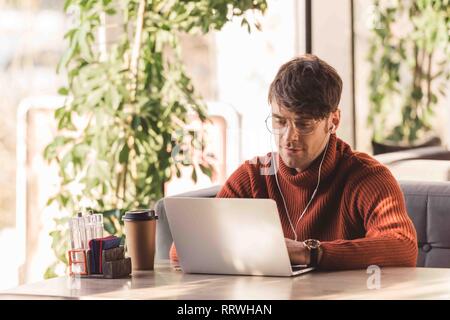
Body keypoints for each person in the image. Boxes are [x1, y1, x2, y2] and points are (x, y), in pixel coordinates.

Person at [170, 54, 418, 270]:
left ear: (333, 121)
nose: (289, 137)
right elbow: (182, 250)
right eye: (280, 122)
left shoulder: (366, 177)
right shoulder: (254, 177)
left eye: (304, 123)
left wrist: (309, 253)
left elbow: (402, 246)